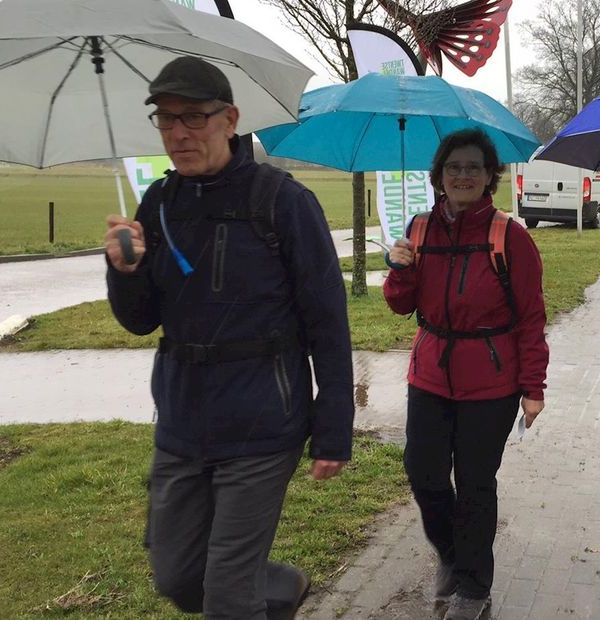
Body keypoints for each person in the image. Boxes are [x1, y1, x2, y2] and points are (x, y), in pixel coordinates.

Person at [104, 56, 354, 619]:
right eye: (166, 121)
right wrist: (125, 272)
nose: (178, 134)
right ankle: (281, 589)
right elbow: (140, 321)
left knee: (226, 595)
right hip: (182, 423)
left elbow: (327, 323)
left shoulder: (282, 202)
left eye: (193, 117)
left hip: (264, 421)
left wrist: (333, 425)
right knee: (177, 576)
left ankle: (251, 591)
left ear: (230, 119)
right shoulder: (159, 203)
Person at [382, 128, 549, 620]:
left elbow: (531, 317)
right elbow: (398, 305)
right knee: (423, 472)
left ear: (488, 177)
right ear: (438, 175)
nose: (462, 175)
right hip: (430, 375)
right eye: (453, 167)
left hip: (491, 384)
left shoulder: (508, 237)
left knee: (475, 484)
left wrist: (532, 388)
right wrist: (401, 269)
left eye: (473, 167)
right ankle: (453, 556)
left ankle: (473, 587)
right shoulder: (418, 230)